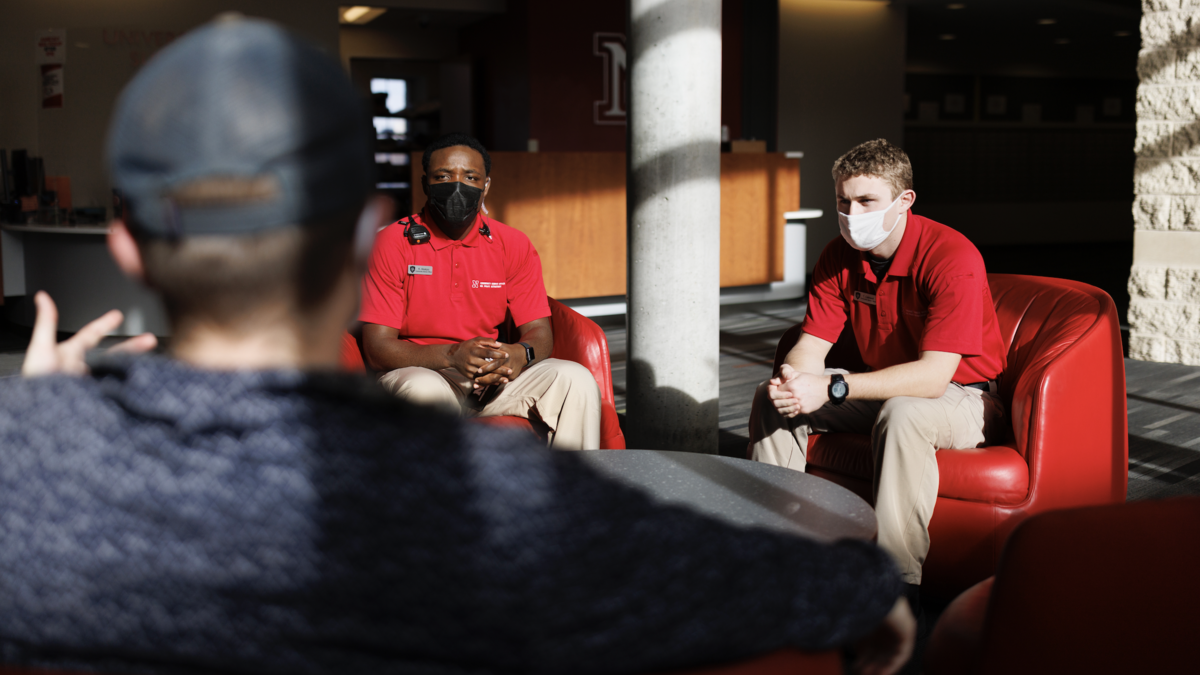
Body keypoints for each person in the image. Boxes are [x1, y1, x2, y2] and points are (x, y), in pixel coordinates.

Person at [0, 18, 914, 675]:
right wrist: (861, 586)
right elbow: (729, 580)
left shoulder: (28, 466)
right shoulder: (469, 497)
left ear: (124, 244)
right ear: (362, 237)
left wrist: (36, 424)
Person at [747, 139, 1007, 609]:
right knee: (773, 400)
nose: (852, 213)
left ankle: (896, 589)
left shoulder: (952, 257)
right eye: (843, 202)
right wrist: (796, 382)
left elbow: (932, 379)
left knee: (904, 411)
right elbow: (813, 345)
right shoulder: (837, 254)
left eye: (867, 201)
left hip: (965, 397)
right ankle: (780, 555)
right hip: (883, 387)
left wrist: (831, 386)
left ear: (904, 200)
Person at [358, 134, 600, 450]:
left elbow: (540, 331)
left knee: (574, 379)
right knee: (422, 389)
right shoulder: (391, 243)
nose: (457, 186)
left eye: (470, 177)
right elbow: (377, 348)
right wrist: (450, 355)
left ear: (485, 185)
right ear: (425, 183)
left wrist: (519, 354)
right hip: (422, 371)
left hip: (492, 381)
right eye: (443, 176)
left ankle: (574, 494)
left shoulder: (512, 244)